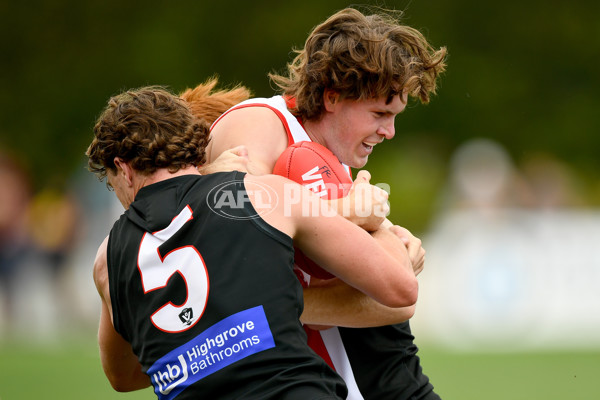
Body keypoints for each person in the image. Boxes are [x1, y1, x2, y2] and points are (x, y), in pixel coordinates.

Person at [87, 86, 419, 399]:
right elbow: (401, 290)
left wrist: (202, 348)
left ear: (123, 169)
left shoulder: (107, 258)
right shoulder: (261, 193)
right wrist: (378, 223)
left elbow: (123, 376)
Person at [205, 7, 447, 400]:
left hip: (321, 371)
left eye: (395, 116)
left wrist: (386, 239)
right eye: (380, 114)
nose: (389, 131)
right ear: (333, 97)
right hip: (266, 377)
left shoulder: (331, 161)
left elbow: (397, 303)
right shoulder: (262, 124)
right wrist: (347, 216)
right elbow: (226, 219)